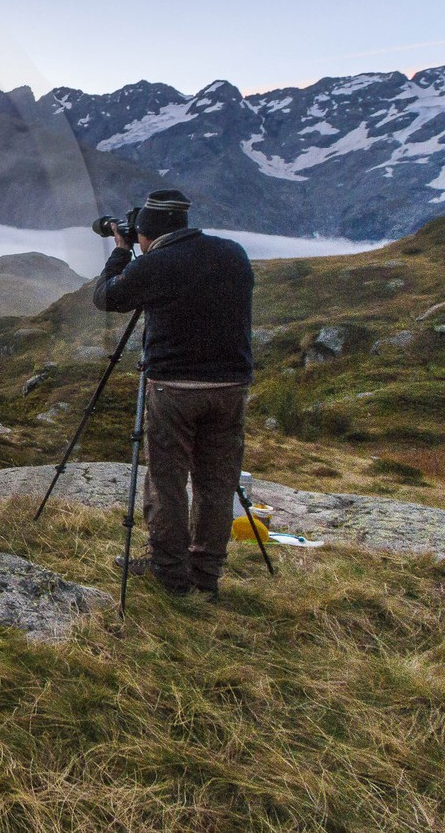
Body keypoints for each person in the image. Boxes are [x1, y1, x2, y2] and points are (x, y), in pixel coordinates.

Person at [92, 190, 254, 598]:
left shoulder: (156, 264)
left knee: (167, 480)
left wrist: (121, 252)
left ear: (147, 233)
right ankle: (206, 574)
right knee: (217, 482)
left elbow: (107, 296)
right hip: (231, 387)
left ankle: (170, 571)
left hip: (175, 388)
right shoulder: (233, 254)